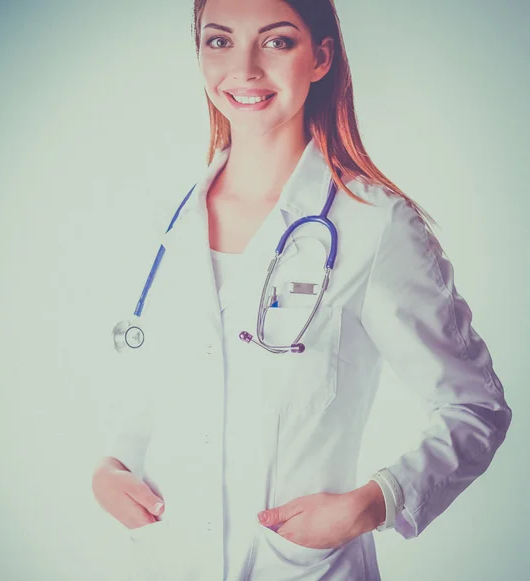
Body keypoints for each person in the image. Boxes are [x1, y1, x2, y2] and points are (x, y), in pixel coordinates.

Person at [92, 0, 513, 579]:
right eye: (219, 41)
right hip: (168, 558)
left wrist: (374, 502)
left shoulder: (374, 225)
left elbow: (475, 408)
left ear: (320, 57)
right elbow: (154, 386)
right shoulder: (167, 223)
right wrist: (111, 468)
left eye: (276, 41)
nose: (244, 68)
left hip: (304, 567)